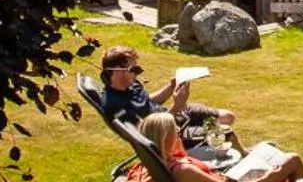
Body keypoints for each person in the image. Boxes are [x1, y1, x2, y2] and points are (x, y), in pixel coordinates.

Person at [138, 111, 303, 182]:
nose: (179, 132)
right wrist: (266, 179)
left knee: (266, 150)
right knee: (292, 160)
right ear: (165, 138)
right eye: (175, 131)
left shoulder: (165, 161)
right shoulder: (183, 171)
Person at [98, 44, 243, 152]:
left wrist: (171, 86)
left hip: (176, 116)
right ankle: (240, 160)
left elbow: (148, 101)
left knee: (228, 116)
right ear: (117, 71)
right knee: (226, 133)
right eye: (134, 69)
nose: (138, 73)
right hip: (170, 133)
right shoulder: (116, 105)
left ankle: (235, 154)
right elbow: (149, 134)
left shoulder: (130, 84)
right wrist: (177, 106)